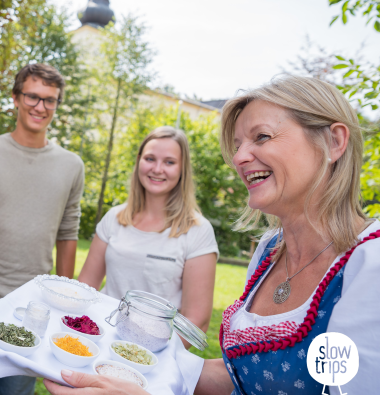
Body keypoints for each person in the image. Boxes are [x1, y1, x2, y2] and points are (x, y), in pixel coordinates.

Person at [45, 76, 380, 395]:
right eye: (237, 145)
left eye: (261, 137)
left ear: (334, 142)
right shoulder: (269, 251)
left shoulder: (370, 266)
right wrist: (128, 370)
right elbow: (238, 379)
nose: (238, 158)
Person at [0, 63, 85, 395]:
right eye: (32, 96)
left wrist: (61, 304)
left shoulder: (71, 165)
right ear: (15, 98)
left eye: (50, 100)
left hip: (32, 309)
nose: (40, 107)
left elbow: (68, 233)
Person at [78, 126, 218, 339]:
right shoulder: (114, 218)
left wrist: (152, 356)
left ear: (182, 169)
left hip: (152, 354)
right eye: (150, 159)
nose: (158, 169)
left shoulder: (198, 231)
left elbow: (196, 319)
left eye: (169, 162)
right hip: (98, 337)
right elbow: (85, 289)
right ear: (139, 161)